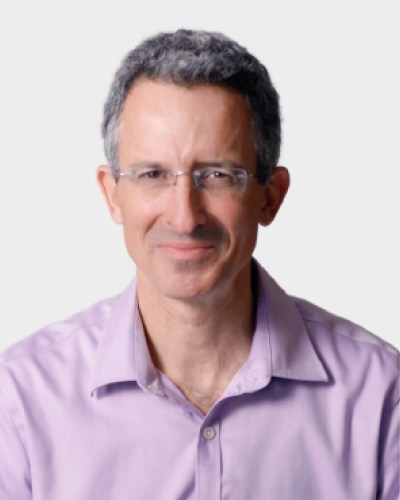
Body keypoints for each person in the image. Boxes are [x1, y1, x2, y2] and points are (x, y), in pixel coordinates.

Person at [0, 29, 398, 500]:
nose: (185, 216)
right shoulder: (21, 402)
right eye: (153, 175)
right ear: (112, 195)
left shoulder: (378, 396)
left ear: (271, 196)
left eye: (217, 175)